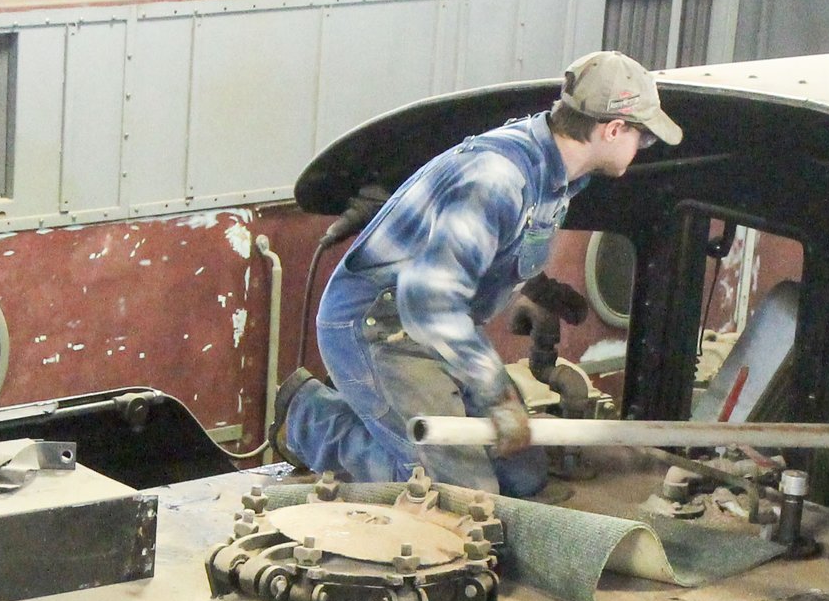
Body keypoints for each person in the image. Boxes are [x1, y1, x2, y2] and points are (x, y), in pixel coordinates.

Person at [281, 52, 681, 496]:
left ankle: (385, 420)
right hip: (382, 327)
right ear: (612, 129)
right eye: (642, 138)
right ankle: (311, 419)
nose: (643, 148)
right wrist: (496, 391)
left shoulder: (556, 174)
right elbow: (427, 301)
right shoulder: (497, 179)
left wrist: (537, 291)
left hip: (442, 326)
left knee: (523, 476)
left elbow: (492, 249)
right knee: (460, 495)